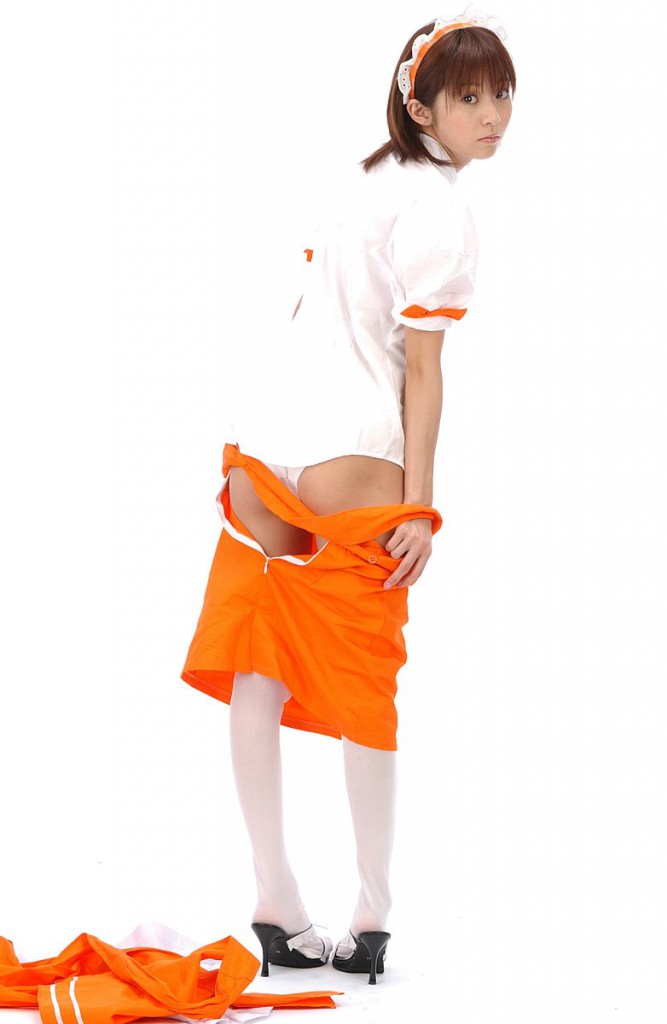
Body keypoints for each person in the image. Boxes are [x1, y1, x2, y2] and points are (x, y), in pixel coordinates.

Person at [182, 6, 516, 986]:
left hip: (263, 457)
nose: (492, 115)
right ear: (420, 106)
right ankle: (372, 913)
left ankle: (275, 901)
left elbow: (304, 313)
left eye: (501, 94)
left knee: (259, 670)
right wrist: (422, 505)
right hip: (353, 456)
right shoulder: (440, 210)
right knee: (367, 686)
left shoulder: (357, 182)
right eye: (468, 97)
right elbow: (423, 373)